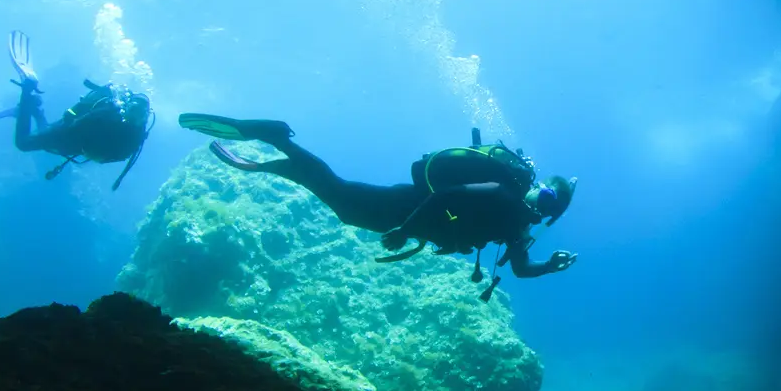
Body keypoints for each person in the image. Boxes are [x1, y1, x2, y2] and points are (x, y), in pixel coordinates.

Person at [179, 114, 578, 300]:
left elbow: (521, 269)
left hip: (416, 221)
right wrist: (405, 229)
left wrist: (550, 266)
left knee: (343, 202)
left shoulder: (517, 226)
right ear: (535, 187)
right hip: (407, 206)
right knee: (343, 199)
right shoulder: (500, 192)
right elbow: (445, 197)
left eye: (549, 209)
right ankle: (278, 140)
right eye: (542, 197)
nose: (539, 208)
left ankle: (283, 158)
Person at [0, 30, 154, 190]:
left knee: (45, 135)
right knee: (24, 144)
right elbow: (80, 126)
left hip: (77, 141)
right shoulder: (121, 122)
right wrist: (83, 144)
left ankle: (34, 109)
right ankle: (27, 90)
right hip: (73, 139)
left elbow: (120, 155)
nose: (135, 115)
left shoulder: (132, 129)